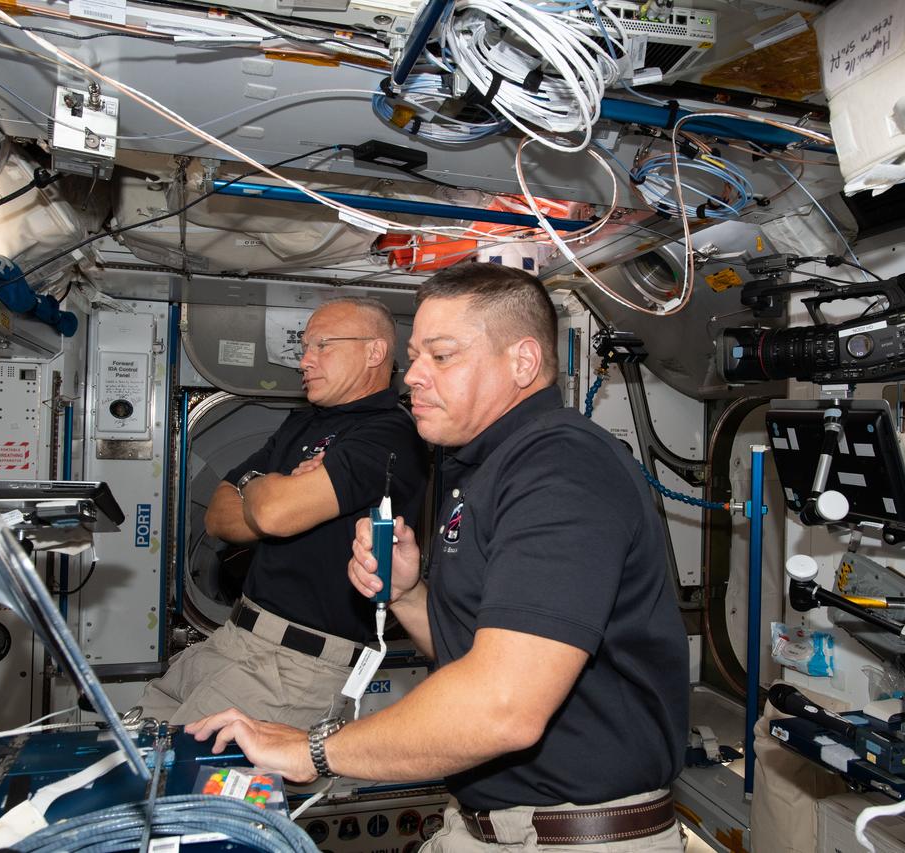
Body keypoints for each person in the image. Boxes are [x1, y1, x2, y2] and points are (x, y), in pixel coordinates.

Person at [187, 264, 689, 851]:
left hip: (575, 834)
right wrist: (408, 594)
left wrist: (311, 749)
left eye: (442, 356)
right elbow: (473, 652)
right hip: (489, 823)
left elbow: (503, 706)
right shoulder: (477, 465)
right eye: (415, 355)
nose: (412, 378)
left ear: (522, 363)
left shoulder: (560, 469)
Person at [138, 296, 429, 728]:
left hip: (292, 668)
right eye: (304, 347)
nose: (304, 361)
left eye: (321, 346)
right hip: (233, 639)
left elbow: (272, 515)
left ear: (374, 352)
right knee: (138, 743)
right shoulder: (303, 423)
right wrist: (283, 488)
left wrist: (259, 487)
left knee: (179, 786)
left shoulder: (388, 435)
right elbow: (218, 516)